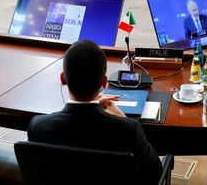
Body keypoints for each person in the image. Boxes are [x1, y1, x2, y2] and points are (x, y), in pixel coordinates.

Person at [27, 40, 162, 183]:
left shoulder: (37, 126)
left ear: (63, 78)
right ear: (104, 82)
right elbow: (154, 172)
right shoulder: (128, 129)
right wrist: (122, 117)